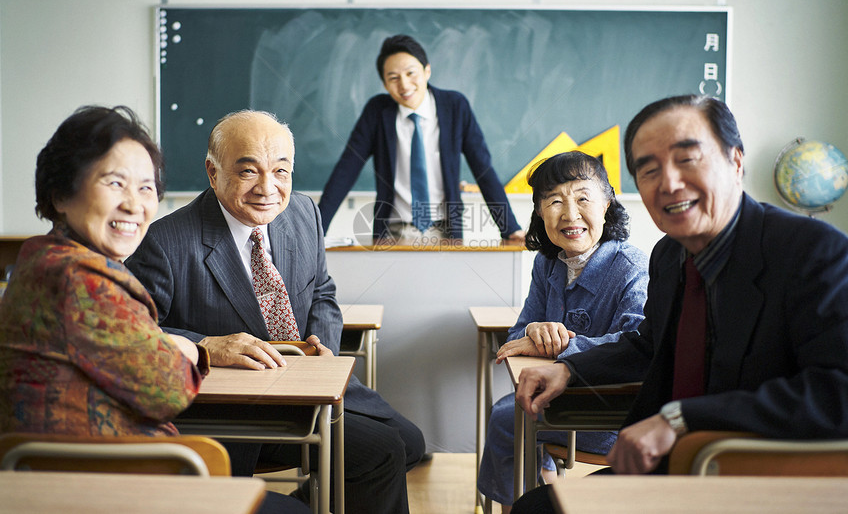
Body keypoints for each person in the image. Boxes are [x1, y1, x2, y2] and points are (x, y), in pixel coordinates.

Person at [512, 95, 848, 512]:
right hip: (673, 469)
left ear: (735, 161)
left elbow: (843, 391)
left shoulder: (812, 250)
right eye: (649, 169)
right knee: (535, 508)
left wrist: (681, 419)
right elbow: (647, 345)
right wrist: (570, 368)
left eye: (687, 160)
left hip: (762, 476)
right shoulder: (669, 255)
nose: (669, 183)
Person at [0, 106, 309, 514]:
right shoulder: (85, 282)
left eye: (147, 188)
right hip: (104, 484)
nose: (134, 204)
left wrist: (171, 343)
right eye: (115, 183)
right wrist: (191, 349)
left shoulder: (43, 259)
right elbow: (168, 391)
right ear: (60, 193)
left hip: (84, 471)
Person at [125, 109, 425, 514]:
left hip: (308, 384)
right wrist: (210, 346)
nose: (268, 188)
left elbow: (322, 291)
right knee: (383, 452)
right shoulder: (165, 241)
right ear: (213, 173)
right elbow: (137, 335)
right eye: (248, 171)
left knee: (411, 443)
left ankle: (312, 501)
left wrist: (324, 350)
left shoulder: (303, 213)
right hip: (234, 407)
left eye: (281, 171)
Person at [476, 151, 649, 512]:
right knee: (510, 410)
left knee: (509, 417)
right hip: (562, 400)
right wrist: (535, 330)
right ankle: (541, 490)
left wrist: (561, 346)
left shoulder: (632, 266)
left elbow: (638, 340)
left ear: (606, 204)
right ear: (540, 211)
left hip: (613, 410)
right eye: (554, 201)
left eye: (583, 198)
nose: (570, 214)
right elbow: (517, 338)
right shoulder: (548, 263)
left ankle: (532, 498)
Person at [317, 34, 525, 243]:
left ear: (427, 70)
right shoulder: (377, 111)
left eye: (411, 73)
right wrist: (316, 229)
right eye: (394, 78)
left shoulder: (455, 106)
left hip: (446, 230)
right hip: (392, 232)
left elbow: (483, 169)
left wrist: (510, 228)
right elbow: (345, 171)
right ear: (385, 83)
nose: (405, 85)